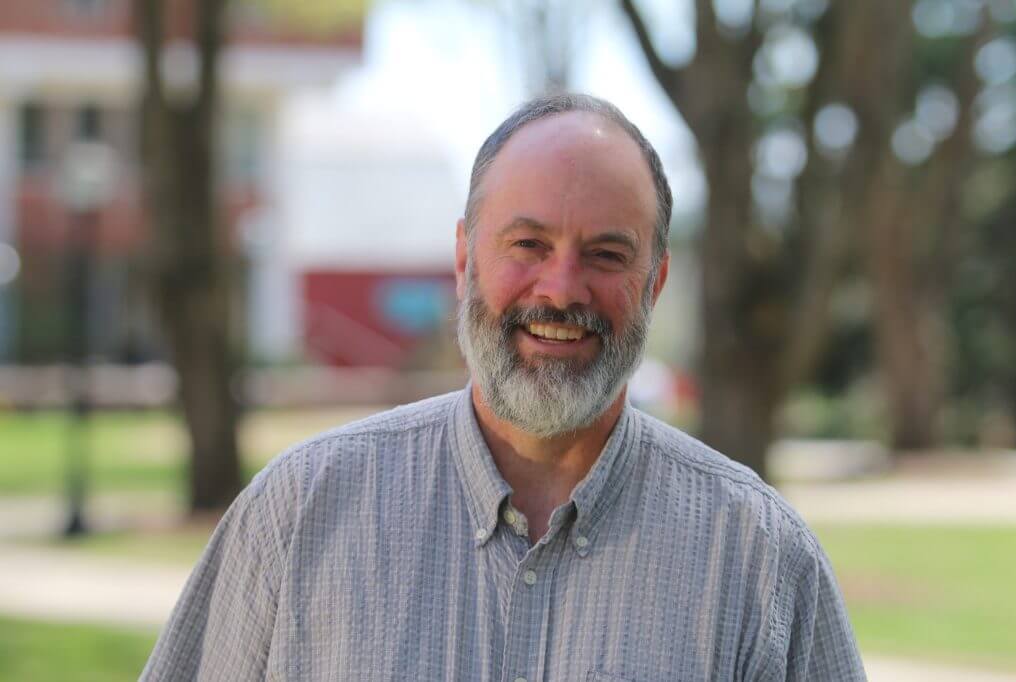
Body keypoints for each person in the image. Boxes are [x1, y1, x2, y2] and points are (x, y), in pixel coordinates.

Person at [142, 94, 865, 681]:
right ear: (464, 259)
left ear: (656, 282)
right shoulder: (298, 515)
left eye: (606, 254)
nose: (561, 289)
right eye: (528, 245)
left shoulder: (761, 558)